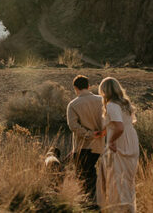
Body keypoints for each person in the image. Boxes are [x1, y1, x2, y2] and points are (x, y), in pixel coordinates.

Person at [96, 76, 139, 212]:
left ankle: (118, 209)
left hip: (120, 143)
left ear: (104, 91)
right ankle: (128, 208)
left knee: (117, 179)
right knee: (127, 180)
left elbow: (119, 127)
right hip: (131, 140)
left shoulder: (112, 105)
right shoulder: (125, 104)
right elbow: (126, 124)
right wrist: (105, 132)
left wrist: (111, 141)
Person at [66, 75, 104, 206]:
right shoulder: (102, 100)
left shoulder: (73, 105)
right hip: (100, 145)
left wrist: (89, 134)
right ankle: (95, 201)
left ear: (75, 88)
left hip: (82, 146)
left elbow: (73, 126)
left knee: (83, 175)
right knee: (92, 172)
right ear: (88, 86)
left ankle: (89, 203)